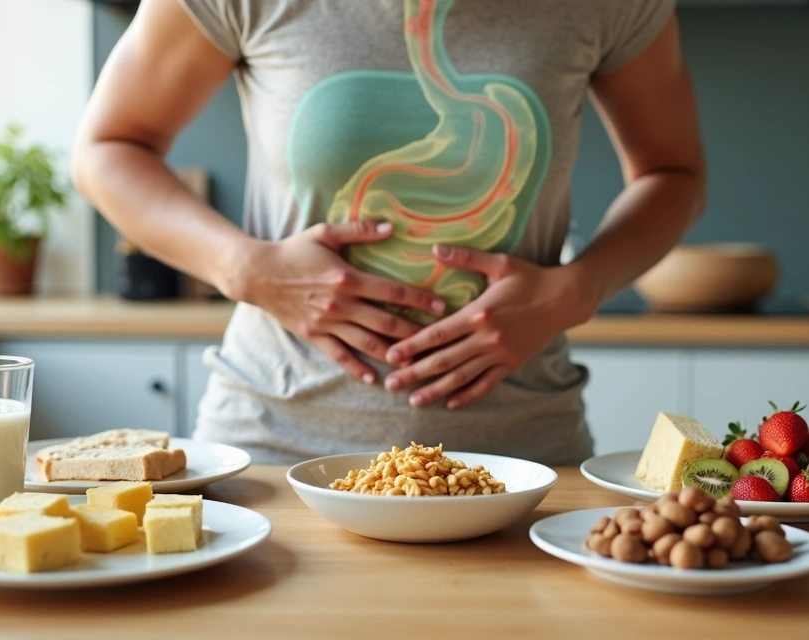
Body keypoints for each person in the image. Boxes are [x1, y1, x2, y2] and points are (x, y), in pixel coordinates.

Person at [72, 0, 706, 466]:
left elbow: (673, 172)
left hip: (522, 457)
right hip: (274, 446)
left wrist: (580, 287)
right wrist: (246, 268)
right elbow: (107, 148)